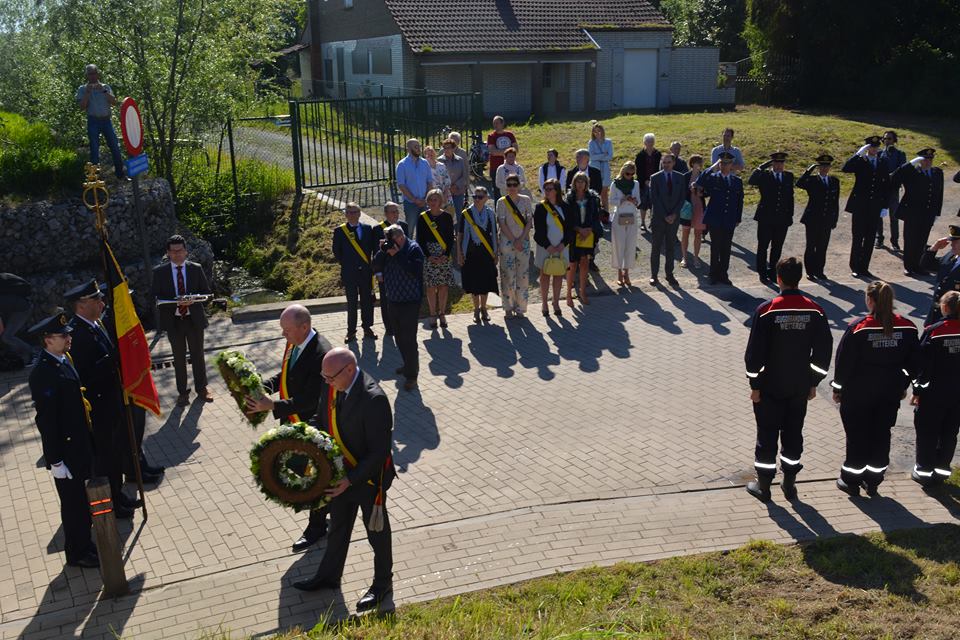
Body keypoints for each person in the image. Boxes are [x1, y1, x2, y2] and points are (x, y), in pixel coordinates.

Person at [293, 349, 397, 615]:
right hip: (341, 475)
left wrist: (350, 480)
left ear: (349, 370)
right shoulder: (333, 385)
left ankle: (382, 584)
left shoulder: (373, 399)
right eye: (324, 377)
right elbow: (321, 419)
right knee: (338, 527)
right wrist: (305, 437)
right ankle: (328, 577)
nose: (327, 382)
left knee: (377, 533)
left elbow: (379, 452)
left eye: (330, 377)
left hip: (368, 479)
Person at [245, 304, 334, 552]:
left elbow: (311, 400)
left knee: (313, 477)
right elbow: (287, 374)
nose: (283, 335)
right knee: (304, 474)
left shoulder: (321, 354)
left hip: (310, 426)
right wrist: (265, 386)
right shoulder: (297, 343)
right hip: (293, 424)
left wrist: (271, 405)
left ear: (304, 327)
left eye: (287, 330)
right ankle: (329, 511)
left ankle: (317, 527)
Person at [743, 257, 833, 502]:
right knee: (794, 434)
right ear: (799, 278)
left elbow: (754, 355)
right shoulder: (815, 310)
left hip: (770, 386)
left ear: (778, 278)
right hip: (799, 387)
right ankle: (790, 485)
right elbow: (824, 352)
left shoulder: (767, 310)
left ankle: (763, 486)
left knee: (767, 435)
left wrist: (755, 385)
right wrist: (813, 382)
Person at [831, 281, 919, 497]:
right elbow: (914, 364)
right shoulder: (907, 327)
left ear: (870, 300)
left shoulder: (859, 328)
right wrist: (902, 383)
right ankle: (873, 482)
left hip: (858, 394)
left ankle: (851, 481)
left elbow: (844, 363)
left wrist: (838, 388)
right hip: (888, 394)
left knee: (857, 438)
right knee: (881, 437)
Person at [64, 279, 143, 519]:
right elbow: (84, 374)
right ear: (81, 305)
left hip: (112, 400)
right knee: (105, 457)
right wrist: (112, 358)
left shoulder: (95, 324)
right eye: (96, 299)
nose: (102, 302)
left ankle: (118, 496)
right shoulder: (76, 333)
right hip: (99, 406)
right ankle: (112, 503)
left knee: (116, 452)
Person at [28, 311, 98, 568]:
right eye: (63, 335)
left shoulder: (62, 359)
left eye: (68, 333)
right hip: (66, 451)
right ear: (48, 340)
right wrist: (55, 460)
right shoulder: (43, 373)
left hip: (79, 445)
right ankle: (77, 553)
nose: (69, 337)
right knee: (74, 506)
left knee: (81, 502)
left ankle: (85, 544)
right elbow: (47, 421)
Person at [152, 234, 213, 407]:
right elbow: (155, 296)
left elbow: (207, 293)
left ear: (186, 251)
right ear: (168, 253)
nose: (177, 254)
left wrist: (193, 299)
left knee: (198, 355)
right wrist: (175, 301)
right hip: (174, 321)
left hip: (194, 320)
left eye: (180, 251)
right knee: (178, 358)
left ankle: (202, 389)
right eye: (174, 251)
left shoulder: (195, 268)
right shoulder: (160, 272)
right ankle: (182, 393)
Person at [910, 290, 960, 487]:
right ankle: (941, 472)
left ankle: (924, 471)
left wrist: (917, 392)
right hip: (957, 394)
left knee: (927, 432)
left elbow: (923, 365)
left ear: (945, 307)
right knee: (950, 432)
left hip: (935, 393)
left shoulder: (936, 331)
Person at [373, 225, 424, 392]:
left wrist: (398, 254)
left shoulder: (413, 249)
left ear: (402, 237)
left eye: (399, 239)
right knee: (399, 337)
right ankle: (407, 364)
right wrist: (382, 251)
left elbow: (414, 271)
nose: (397, 242)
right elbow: (375, 266)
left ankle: (412, 376)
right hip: (393, 300)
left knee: (409, 339)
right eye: (392, 240)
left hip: (410, 301)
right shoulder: (388, 249)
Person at [842, 136, 891, 278]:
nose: (874, 149)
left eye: (876, 147)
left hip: (875, 206)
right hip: (860, 206)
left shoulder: (882, 162)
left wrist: (885, 205)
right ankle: (855, 266)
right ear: (867, 148)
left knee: (870, 238)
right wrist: (858, 154)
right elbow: (846, 168)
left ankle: (864, 267)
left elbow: (886, 185)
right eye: (871, 147)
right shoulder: (860, 161)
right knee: (858, 237)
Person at [891, 148, 944, 276]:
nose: (928, 162)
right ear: (920, 160)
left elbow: (939, 193)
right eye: (925, 159)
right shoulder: (911, 172)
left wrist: (937, 212)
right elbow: (895, 176)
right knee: (910, 240)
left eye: (930, 159)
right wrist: (911, 163)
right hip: (912, 213)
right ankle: (909, 266)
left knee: (922, 240)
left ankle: (918, 266)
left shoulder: (937, 172)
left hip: (928, 213)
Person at [696, 153, 744, 285]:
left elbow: (740, 200)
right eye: (722, 163)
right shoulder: (713, 178)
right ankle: (713, 274)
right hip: (715, 218)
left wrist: (738, 217)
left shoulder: (736, 181)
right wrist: (712, 167)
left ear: (731, 165)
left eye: (727, 163)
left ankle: (723, 274)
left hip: (729, 218)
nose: (724, 166)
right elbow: (700, 181)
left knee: (726, 247)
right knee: (715, 247)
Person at [332, 203, 377, 344]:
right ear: (345, 214)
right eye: (349, 212)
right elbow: (336, 252)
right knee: (352, 302)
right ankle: (351, 331)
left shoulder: (368, 229)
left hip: (365, 272)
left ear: (359, 213)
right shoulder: (340, 231)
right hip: (349, 273)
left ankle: (367, 328)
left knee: (367, 301)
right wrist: (348, 264)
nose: (352, 214)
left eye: (355, 212)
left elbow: (372, 249)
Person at [748, 152, 795, 283]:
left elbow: (790, 197)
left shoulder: (788, 176)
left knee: (777, 247)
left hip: (782, 218)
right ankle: (762, 273)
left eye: (781, 163)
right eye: (776, 163)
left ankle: (773, 271)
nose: (779, 165)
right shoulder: (764, 175)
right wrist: (761, 167)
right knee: (763, 246)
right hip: (766, 217)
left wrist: (790, 215)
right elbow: (751, 181)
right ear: (772, 163)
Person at [458, 186, 499, 324]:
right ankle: (476, 310)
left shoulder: (491, 214)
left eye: (480, 197)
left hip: (486, 252)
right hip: (471, 252)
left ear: (486, 198)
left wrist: (496, 252)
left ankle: (484, 308)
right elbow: (460, 235)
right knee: (474, 284)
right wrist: (460, 253)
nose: (477, 199)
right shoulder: (466, 213)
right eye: (475, 197)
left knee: (485, 283)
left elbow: (494, 233)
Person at [797, 154, 840, 281]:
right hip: (812, 219)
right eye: (822, 166)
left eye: (827, 166)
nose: (824, 168)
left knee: (822, 246)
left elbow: (835, 203)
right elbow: (799, 183)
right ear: (818, 167)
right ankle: (810, 271)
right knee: (811, 245)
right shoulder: (812, 180)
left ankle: (819, 270)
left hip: (826, 219)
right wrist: (809, 170)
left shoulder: (834, 181)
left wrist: (834, 219)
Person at [416, 190, 455, 329]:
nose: (433, 202)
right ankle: (432, 314)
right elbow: (419, 239)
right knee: (431, 287)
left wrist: (446, 254)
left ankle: (442, 313)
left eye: (436, 199)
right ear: (427, 201)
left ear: (440, 201)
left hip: (444, 254)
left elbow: (451, 238)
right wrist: (429, 256)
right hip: (429, 255)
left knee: (443, 286)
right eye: (430, 199)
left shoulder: (447, 217)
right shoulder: (422, 217)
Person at [75, 64, 123, 179]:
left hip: (106, 121)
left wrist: (104, 91)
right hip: (93, 121)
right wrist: (87, 93)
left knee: (115, 147)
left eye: (94, 73)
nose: (92, 76)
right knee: (94, 149)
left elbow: (114, 102)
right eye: (90, 74)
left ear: (98, 73)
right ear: (86, 75)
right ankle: (94, 178)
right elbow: (82, 107)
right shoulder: (82, 89)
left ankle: (120, 174)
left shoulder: (105, 86)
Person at [496, 175, 533, 319]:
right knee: (507, 275)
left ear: (518, 186)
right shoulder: (501, 202)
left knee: (522, 275)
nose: (512, 187)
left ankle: (521, 307)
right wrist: (514, 240)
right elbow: (501, 222)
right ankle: (508, 306)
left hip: (523, 241)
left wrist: (521, 239)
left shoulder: (526, 200)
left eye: (514, 184)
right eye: (509, 184)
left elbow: (529, 221)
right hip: (507, 242)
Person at [534, 178, 571, 317]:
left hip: (561, 247)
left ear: (557, 190)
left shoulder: (566, 207)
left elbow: (569, 229)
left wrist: (563, 244)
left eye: (550, 189)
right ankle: (544, 303)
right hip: (545, 247)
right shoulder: (540, 207)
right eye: (545, 189)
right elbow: (538, 231)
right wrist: (548, 246)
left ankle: (556, 302)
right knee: (544, 275)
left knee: (559, 274)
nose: (547, 192)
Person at [565, 172, 603, 306]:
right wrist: (578, 229)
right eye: (578, 181)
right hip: (574, 235)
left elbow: (596, 217)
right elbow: (567, 220)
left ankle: (582, 292)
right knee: (572, 265)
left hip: (588, 235)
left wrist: (590, 229)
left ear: (587, 183)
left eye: (583, 181)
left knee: (585, 263)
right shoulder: (569, 199)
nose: (580, 184)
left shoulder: (593, 198)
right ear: (574, 183)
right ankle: (569, 294)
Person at [372, 202, 409, 337]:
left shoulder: (403, 226)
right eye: (392, 212)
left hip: (400, 268)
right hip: (386, 271)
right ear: (386, 214)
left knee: (402, 297)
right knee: (386, 300)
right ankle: (389, 327)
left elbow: (407, 247)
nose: (395, 214)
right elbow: (375, 253)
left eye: (397, 212)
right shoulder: (377, 229)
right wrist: (378, 272)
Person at [649, 154, 686, 287]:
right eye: (664, 162)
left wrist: (674, 214)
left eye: (668, 162)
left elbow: (682, 197)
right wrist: (665, 215)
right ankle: (654, 275)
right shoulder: (655, 178)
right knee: (656, 247)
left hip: (674, 219)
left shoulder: (680, 177)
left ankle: (669, 274)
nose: (666, 165)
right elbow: (654, 199)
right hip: (659, 218)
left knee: (671, 247)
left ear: (673, 163)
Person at [919, 225, 960, 326]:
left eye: (955, 242)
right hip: (935, 316)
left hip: (954, 321)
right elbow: (927, 266)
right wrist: (934, 248)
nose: (951, 245)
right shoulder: (952, 255)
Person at [608, 161, 641, 287]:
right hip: (619, 216)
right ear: (623, 172)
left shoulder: (636, 184)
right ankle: (619, 273)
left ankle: (626, 273)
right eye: (628, 173)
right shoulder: (615, 184)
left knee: (630, 244)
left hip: (632, 215)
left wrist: (634, 200)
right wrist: (623, 199)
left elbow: (639, 200)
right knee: (619, 245)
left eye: (632, 174)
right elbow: (611, 201)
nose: (630, 176)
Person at [877, 131, 907, 250]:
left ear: (894, 140)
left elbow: (902, 169)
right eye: (885, 139)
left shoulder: (900, 154)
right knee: (878, 215)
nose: (887, 141)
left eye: (889, 138)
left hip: (893, 189)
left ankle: (894, 241)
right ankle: (879, 239)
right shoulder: (879, 153)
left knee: (894, 217)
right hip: (880, 189)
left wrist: (891, 175)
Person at [395, 138, 434, 221]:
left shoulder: (425, 163)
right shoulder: (402, 165)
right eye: (416, 147)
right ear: (409, 149)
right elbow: (401, 185)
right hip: (410, 203)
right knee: (410, 228)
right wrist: (414, 199)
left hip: (425, 202)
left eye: (419, 146)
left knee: (425, 227)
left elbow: (429, 182)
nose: (419, 149)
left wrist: (426, 199)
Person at [0, 272, 34, 366]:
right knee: (6, 337)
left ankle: (29, 351)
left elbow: (0, 328)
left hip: (22, 310)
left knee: (6, 337)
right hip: (16, 308)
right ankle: (19, 354)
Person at [680, 155, 706, 269]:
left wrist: (702, 193)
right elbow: (680, 192)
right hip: (687, 207)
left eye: (700, 163)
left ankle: (696, 258)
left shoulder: (704, 176)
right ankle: (684, 257)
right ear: (692, 164)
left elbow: (708, 192)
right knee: (685, 233)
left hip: (699, 207)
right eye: (696, 162)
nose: (698, 165)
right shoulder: (685, 176)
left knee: (698, 234)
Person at [634, 133, 662, 233]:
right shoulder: (640, 155)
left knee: (654, 203)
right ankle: (642, 222)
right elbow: (638, 170)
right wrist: (645, 180)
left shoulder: (658, 154)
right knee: (643, 204)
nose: (650, 143)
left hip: (655, 182)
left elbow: (660, 169)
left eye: (651, 141)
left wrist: (654, 180)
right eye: (648, 141)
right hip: (643, 182)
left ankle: (652, 222)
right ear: (644, 142)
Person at [487, 115, 518, 200]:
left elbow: (516, 149)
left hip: (511, 168)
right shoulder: (491, 136)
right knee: (498, 193)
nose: (495, 125)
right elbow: (493, 151)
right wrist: (508, 152)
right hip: (496, 168)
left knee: (512, 190)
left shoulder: (510, 135)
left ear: (502, 123)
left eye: (497, 123)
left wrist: (501, 152)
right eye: (494, 123)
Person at [588, 122, 613, 210]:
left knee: (605, 192)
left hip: (605, 168)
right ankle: (596, 212)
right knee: (596, 191)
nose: (597, 133)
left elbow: (610, 156)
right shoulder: (591, 143)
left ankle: (606, 212)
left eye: (598, 131)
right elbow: (591, 157)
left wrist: (598, 156)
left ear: (602, 131)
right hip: (595, 168)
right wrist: (603, 154)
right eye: (595, 131)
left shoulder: (608, 142)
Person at [440, 138, 468, 213]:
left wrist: (456, 186)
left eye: (448, 148)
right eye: (444, 148)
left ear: (453, 148)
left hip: (458, 192)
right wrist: (448, 188)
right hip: (444, 193)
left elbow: (464, 175)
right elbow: (438, 177)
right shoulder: (439, 161)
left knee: (458, 214)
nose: (446, 150)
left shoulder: (460, 160)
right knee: (445, 215)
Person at [424, 145, 453, 213]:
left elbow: (447, 180)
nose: (430, 155)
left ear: (435, 154)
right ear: (425, 155)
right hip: (432, 197)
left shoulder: (441, 165)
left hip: (446, 195)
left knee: (448, 216)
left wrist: (445, 194)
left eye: (432, 152)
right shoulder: (424, 168)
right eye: (428, 154)